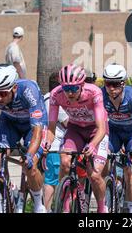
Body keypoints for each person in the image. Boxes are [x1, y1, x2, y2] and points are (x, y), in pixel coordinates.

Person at [47, 64, 109, 213]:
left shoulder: (94, 92)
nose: (69, 93)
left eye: (74, 88)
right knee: (65, 161)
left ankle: (102, 208)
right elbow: (51, 128)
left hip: (96, 130)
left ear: (82, 85)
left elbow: (101, 128)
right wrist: (47, 143)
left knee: (94, 175)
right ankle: (65, 205)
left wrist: (93, 145)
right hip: (75, 129)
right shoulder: (56, 94)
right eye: (66, 89)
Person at [0, 64, 48, 213]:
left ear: (14, 88)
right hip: (9, 122)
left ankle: (38, 201)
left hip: (32, 125)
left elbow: (37, 131)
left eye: (3, 93)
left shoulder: (29, 91)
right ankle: (4, 192)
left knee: (30, 165)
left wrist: (29, 155)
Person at [101, 64, 132, 213]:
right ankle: (106, 201)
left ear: (123, 83)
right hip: (114, 132)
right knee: (101, 159)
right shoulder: (101, 95)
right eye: (108, 83)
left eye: (115, 84)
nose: (111, 88)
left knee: (129, 170)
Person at [43, 72, 69, 212]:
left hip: (49, 146)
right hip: (56, 146)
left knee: (50, 180)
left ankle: (47, 209)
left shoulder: (44, 98)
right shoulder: (55, 101)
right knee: (53, 181)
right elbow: (68, 123)